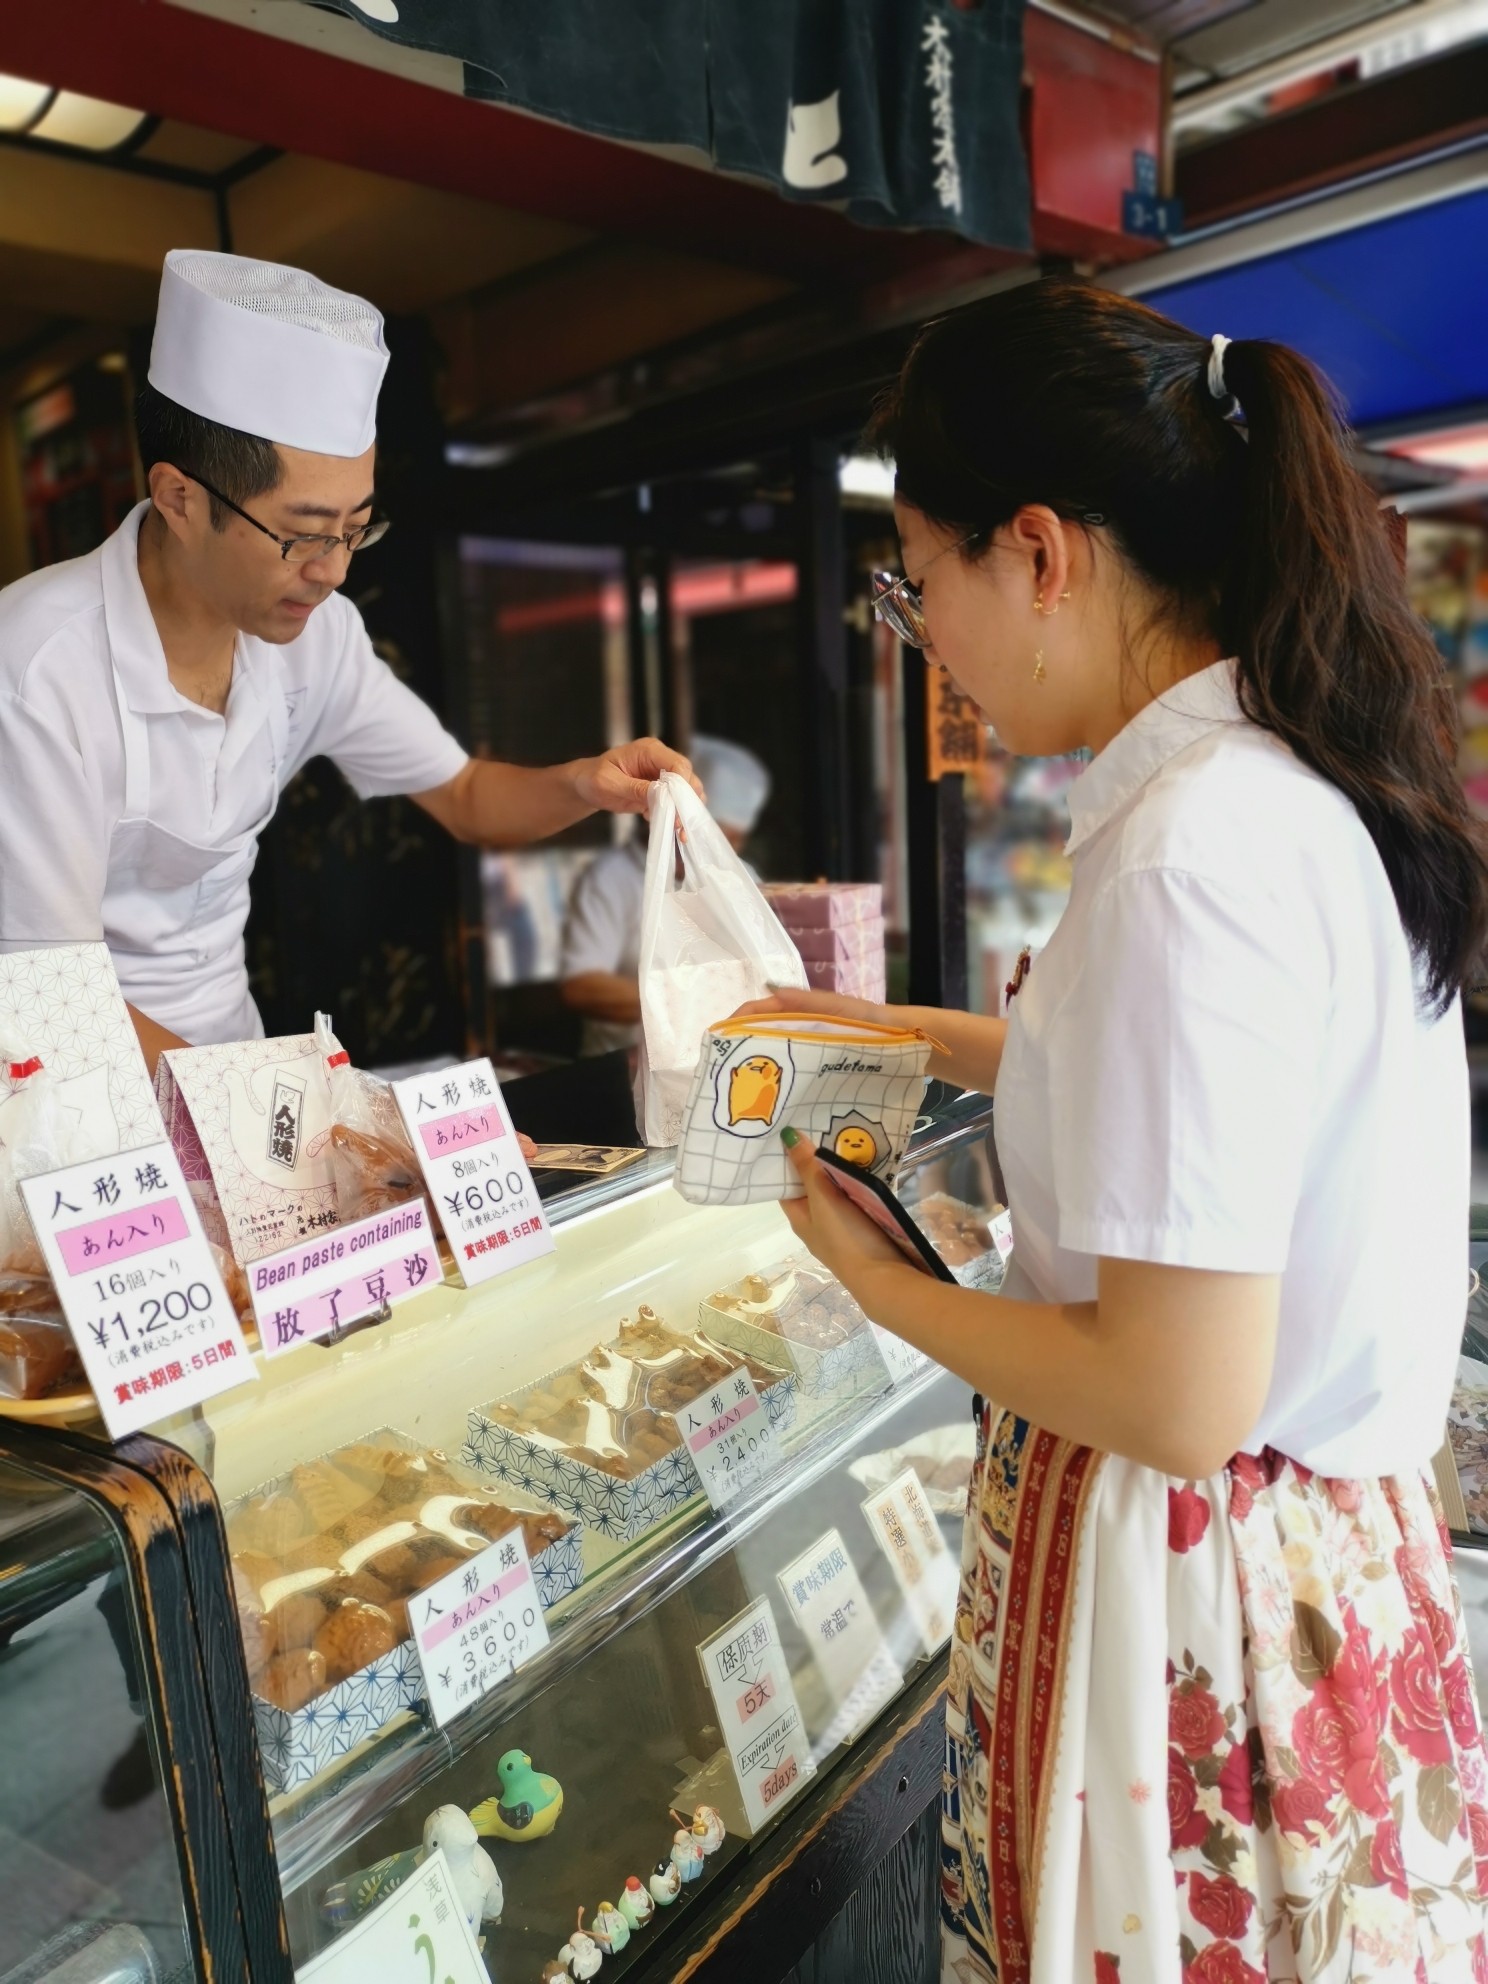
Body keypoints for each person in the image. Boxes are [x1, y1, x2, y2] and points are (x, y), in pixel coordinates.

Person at [745, 281, 1488, 1978]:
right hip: (1293, 1551)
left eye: (911, 577)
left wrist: (874, 1279)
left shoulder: (1186, 853)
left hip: (1201, 1581)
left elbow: (1174, 1389)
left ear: (1037, 551)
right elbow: (1203, 1111)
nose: (916, 622)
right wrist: (930, 1038)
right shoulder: (1270, 787)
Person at [0, 251, 697, 1070]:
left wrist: (584, 784)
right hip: (68, 1091)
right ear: (180, 498)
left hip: (233, 1071)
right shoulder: (36, 669)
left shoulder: (316, 636)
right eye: (301, 533)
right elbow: (46, 996)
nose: (333, 570)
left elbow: (467, 794)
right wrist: (286, 1110)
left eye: (355, 528)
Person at [559, 733, 770, 1056]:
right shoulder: (611, 878)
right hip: (629, 1075)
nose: (721, 851)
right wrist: (688, 999)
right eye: (708, 837)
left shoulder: (741, 876)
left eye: (733, 842)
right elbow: (581, 986)